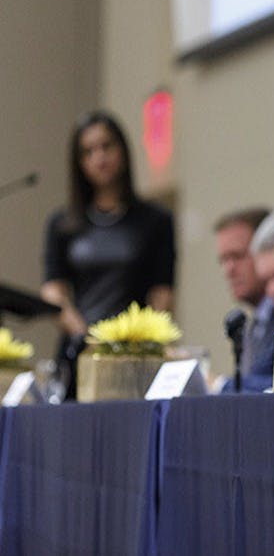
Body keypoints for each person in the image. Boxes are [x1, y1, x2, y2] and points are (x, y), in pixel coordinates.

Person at [41, 110, 175, 399]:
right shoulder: (63, 223)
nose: (99, 158)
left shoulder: (155, 220)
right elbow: (54, 290)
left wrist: (139, 343)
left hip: (133, 354)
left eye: (106, 146)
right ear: (79, 163)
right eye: (88, 152)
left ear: (123, 149)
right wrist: (85, 336)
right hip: (79, 350)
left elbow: (162, 293)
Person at [214, 207, 274, 392]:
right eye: (223, 260)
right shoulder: (250, 326)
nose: (228, 270)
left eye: (237, 256)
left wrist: (218, 384)